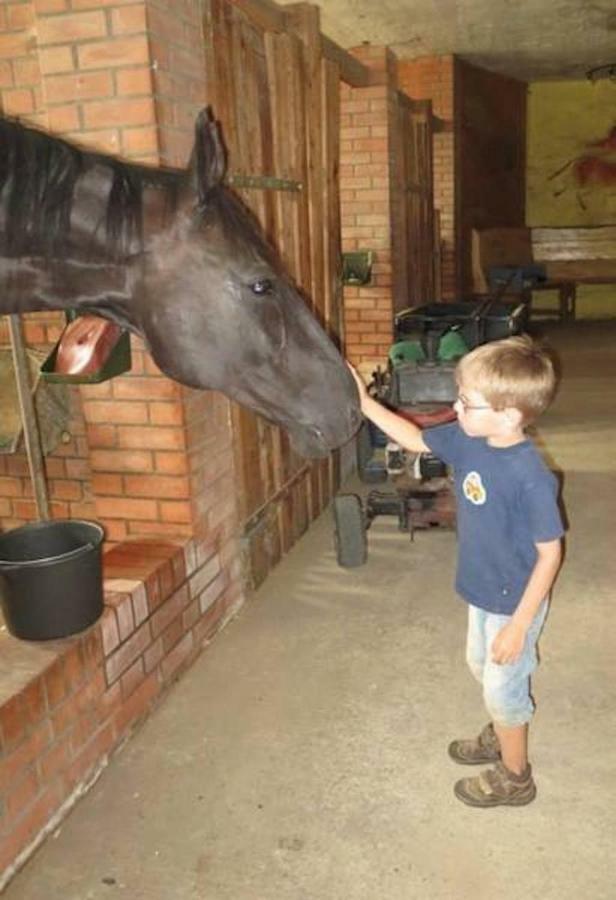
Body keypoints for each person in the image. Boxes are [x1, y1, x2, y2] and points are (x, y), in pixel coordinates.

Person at [349, 335, 564, 807]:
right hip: (481, 589)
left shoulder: (530, 477)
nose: (455, 407)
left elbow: (549, 554)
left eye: (466, 401)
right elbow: (413, 437)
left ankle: (515, 776)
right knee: (480, 666)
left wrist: (521, 626)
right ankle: (501, 724)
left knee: (505, 683)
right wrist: (364, 403)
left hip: (515, 601)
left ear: (509, 414)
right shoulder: (472, 439)